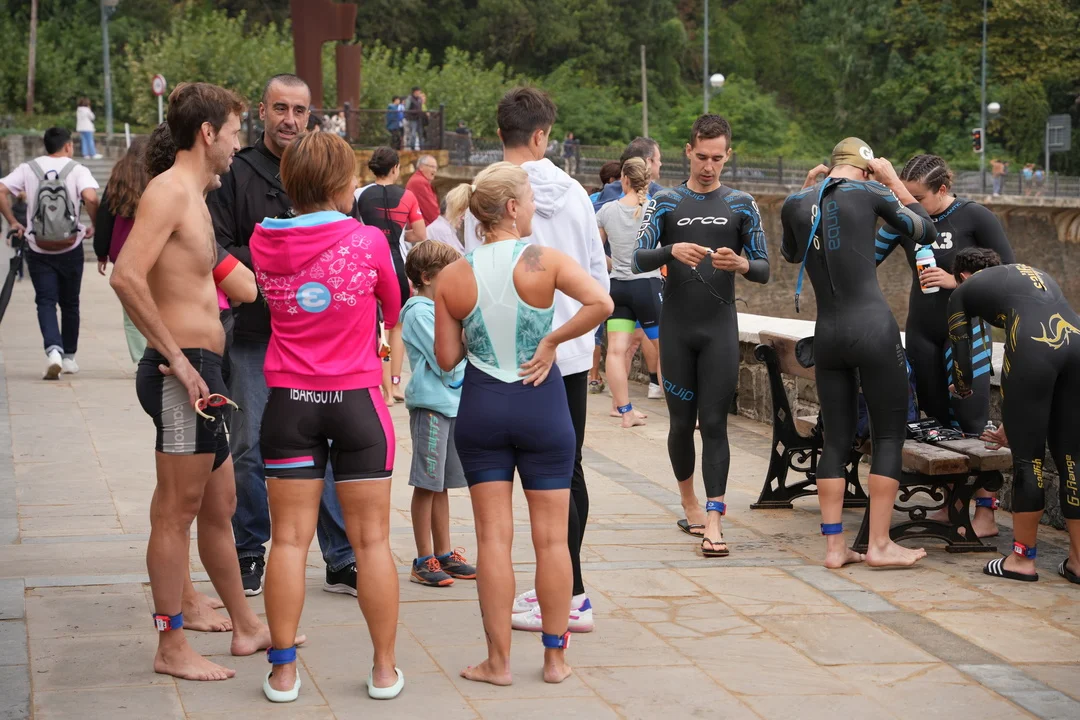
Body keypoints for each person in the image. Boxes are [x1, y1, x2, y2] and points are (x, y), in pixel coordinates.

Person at [109, 81, 291, 682]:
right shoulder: (167, 192)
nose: (239, 145)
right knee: (176, 512)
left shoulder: (194, 197)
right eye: (234, 133)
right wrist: (179, 360)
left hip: (204, 370)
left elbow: (236, 284)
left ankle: (246, 626)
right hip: (180, 372)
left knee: (221, 505)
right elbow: (126, 276)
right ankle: (170, 645)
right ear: (208, 133)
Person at [439, 162, 613, 685]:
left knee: (493, 539)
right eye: (531, 199)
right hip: (542, 402)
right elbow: (602, 302)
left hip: (483, 407)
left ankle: (497, 662)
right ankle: (555, 660)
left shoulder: (454, 273)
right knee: (552, 541)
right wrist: (552, 341)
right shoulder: (544, 260)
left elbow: (447, 358)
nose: (536, 206)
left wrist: (478, 334)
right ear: (512, 208)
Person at [249, 131, 404, 702]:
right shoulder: (368, 240)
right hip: (358, 402)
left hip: (289, 403)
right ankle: (383, 670)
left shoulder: (263, 240)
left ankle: (283, 672)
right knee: (372, 543)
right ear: (343, 183)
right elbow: (394, 307)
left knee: (288, 543)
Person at [207, 73, 358, 599]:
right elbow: (215, 248)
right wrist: (284, 258)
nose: (289, 120)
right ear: (262, 112)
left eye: (298, 110)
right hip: (254, 333)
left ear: (310, 115)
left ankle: (340, 557)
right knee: (249, 445)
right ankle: (250, 548)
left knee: (328, 443)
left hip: (317, 337)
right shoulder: (236, 172)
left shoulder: (324, 168)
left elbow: (347, 243)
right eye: (280, 109)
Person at [464, 87, 609, 633]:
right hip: (567, 347)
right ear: (542, 135)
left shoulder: (484, 194)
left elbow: (470, 272)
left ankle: (552, 597)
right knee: (566, 471)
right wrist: (585, 341)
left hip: (500, 356)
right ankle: (570, 590)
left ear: (500, 132)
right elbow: (598, 273)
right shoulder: (575, 194)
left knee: (499, 487)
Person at [780, 137, 939, 569]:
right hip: (872, 330)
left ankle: (835, 549)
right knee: (888, 435)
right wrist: (894, 184)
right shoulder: (871, 191)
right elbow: (926, 230)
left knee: (836, 439)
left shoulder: (795, 202)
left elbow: (791, 253)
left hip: (828, 335)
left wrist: (804, 193)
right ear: (868, 168)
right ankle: (879, 545)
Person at [632, 114, 768, 556]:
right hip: (676, 329)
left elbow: (764, 268)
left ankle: (714, 520)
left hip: (719, 329)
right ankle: (689, 502)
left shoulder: (742, 204)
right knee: (679, 424)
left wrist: (742, 264)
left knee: (713, 424)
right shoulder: (665, 202)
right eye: (702, 156)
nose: (709, 166)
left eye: (718, 158)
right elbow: (637, 258)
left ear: (728, 156)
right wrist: (670, 250)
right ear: (688, 151)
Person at [876, 154, 1015, 537]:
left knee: (972, 422)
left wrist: (958, 282)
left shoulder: (975, 216)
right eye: (904, 196)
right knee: (936, 421)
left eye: (918, 197)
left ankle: (985, 514)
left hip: (965, 333)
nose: (910, 203)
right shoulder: (906, 218)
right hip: (922, 330)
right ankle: (952, 506)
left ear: (941, 189)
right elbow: (863, 258)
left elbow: (1009, 271)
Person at [948, 248, 1080, 585]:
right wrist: (1014, 419)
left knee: (1028, 462)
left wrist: (961, 387)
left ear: (962, 276)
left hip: (1033, 346)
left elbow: (962, 358)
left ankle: (1021, 559)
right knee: (1073, 461)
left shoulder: (962, 292)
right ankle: (1079, 562)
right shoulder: (1029, 274)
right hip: (1075, 341)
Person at [401, 240, 476, 587]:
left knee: (441, 485)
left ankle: (444, 553)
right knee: (426, 484)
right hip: (432, 408)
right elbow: (445, 359)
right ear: (428, 277)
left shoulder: (439, 309)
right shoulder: (419, 313)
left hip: (451, 406)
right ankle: (422, 558)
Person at [0, 127, 99, 379]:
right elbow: (91, 197)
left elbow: (1, 189)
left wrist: (14, 222)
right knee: (70, 303)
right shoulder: (77, 169)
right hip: (71, 246)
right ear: (68, 146)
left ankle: (53, 350)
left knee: (45, 301)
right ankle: (69, 358)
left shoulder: (28, 168)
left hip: (38, 247)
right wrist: (94, 225)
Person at [354, 146, 428, 403]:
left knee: (377, 328)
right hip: (398, 267)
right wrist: (402, 235)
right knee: (396, 328)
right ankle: (395, 385)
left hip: (368, 265)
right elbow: (420, 233)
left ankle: (381, 388)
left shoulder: (359, 194)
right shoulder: (408, 196)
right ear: (395, 168)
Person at [597, 158, 660, 428]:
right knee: (667, 351)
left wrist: (615, 265)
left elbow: (595, 253)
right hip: (648, 286)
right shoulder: (655, 209)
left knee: (615, 351)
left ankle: (624, 412)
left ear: (623, 179)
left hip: (618, 288)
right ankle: (686, 415)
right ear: (647, 180)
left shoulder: (607, 211)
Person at [95, 137, 151, 363]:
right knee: (158, 306)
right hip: (153, 251)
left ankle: (140, 359)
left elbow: (104, 217)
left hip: (124, 254)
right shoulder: (158, 177)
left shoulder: (118, 177)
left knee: (132, 313)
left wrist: (101, 252)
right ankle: (158, 356)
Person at [591, 136, 665, 212]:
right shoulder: (662, 197)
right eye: (658, 159)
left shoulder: (609, 191)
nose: (660, 164)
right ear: (648, 162)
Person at [406, 154, 441, 226]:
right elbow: (431, 210)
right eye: (432, 167)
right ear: (421, 167)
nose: (434, 170)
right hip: (421, 228)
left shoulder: (417, 179)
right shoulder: (420, 182)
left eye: (436, 168)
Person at [405, 86, 425, 151]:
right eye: (418, 91)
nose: (419, 92)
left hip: (419, 118)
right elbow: (406, 109)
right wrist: (414, 112)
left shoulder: (419, 99)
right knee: (413, 134)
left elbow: (421, 107)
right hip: (412, 119)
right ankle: (412, 148)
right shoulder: (409, 99)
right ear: (415, 92)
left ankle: (422, 148)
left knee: (421, 133)